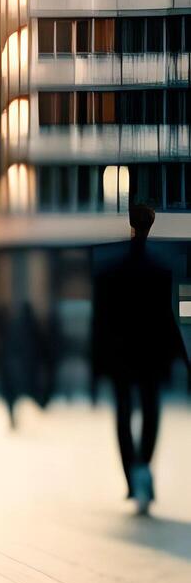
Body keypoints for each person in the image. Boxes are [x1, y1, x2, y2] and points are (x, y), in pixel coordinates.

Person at [91, 204, 188, 515]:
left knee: (123, 411)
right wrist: (183, 359)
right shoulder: (160, 268)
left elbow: (101, 321)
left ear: (128, 224)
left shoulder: (108, 269)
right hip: (151, 353)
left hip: (120, 353)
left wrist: (96, 361)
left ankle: (132, 478)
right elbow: (167, 317)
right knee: (150, 407)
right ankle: (144, 464)